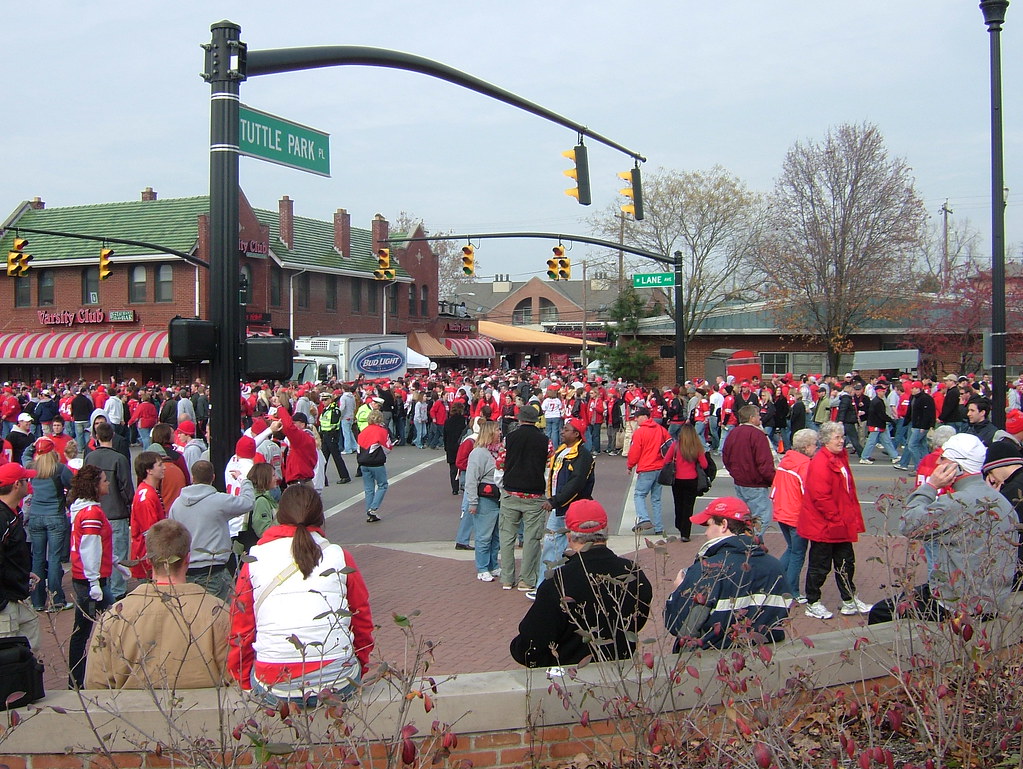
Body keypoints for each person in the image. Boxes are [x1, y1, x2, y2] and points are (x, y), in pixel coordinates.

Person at [229, 485, 374, 705]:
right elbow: (362, 619)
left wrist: (244, 680)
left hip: (275, 682)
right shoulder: (339, 556)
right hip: (338, 679)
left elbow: (241, 627)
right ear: (320, 516)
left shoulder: (256, 558)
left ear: (279, 515)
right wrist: (358, 666)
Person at [869, 434, 1017, 624]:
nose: (937, 461)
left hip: (958, 603)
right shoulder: (1001, 500)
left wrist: (931, 486)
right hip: (993, 598)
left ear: (957, 467)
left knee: (881, 612)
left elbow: (908, 524)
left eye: (943, 458)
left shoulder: (956, 503)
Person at [84, 519, 230, 689]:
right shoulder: (217, 613)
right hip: (204, 712)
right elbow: (235, 680)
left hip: (130, 712)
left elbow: (96, 684)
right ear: (187, 559)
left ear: (148, 560)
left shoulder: (115, 617)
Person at [510, 499, 652, 667]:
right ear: (606, 531)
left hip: (571, 676)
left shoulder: (558, 582)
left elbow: (529, 647)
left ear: (569, 537)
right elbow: (637, 622)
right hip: (621, 669)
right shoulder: (633, 573)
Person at [665, 496, 791, 650]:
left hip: (713, 661)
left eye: (708, 525)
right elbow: (778, 621)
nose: (706, 533)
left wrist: (680, 589)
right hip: (764, 658)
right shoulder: (775, 567)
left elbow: (680, 627)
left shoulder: (708, 569)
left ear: (724, 525)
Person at [799, 422, 871, 620]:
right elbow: (820, 496)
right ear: (826, 440)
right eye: (837, 437)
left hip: (839, 522)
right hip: (824, 524)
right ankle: (813, 601)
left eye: (842, 437)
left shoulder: (839, 458)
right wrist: (836, 518)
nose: (842, 440)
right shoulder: (821, 462)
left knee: (846, 563)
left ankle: (849, 600)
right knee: (820, 565)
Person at [67, 465, 128, 688]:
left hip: (89, 577)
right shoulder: (92, 512)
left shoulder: (84, 509)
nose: (107, 483)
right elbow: (89, 548)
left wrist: (114, 564)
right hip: (91, 580)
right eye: (104, 480)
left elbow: (94, 546)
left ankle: (77, 679)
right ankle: (80, 679)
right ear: (94, 485)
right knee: (107, 626)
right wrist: (94, 581)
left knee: (86, 630)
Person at [169, 460, 255, 601]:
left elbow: (173, 536)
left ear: (192, 477)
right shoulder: (219, 501)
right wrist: (244, 480)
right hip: (214, 570)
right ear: (213, 477)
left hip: (186, 571)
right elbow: (248, 502)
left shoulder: (177, 504)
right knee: (222, 614)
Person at [536, 417, 595, 591]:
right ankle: (545, 586)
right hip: (558, 508)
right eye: (562, 429)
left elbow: (576, 484)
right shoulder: (561, 451)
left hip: (573, 509)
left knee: (575, 547)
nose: (562, 432)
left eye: (566, 429)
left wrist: (555, 500)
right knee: (551, 545)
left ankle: (569, 585)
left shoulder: (583, 456)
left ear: (576, 434)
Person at [498, 404, 551, 592]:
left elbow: (500, 462)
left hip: (511, 491)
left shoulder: (509, 438)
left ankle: (507, 577)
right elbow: (549, 468)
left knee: (507, 537)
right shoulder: (546, 441)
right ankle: (527, 579)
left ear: (519, 419)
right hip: (535, 493)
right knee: (531, 538)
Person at [83, 422, 134, 600]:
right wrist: (129, 505)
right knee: (118, 553)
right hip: (116, 511)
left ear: (97, 437)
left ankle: (103, 588)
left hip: (96, 510)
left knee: (97, 552)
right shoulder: (119, 459)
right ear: (112, 436)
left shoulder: (90, 457)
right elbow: (126, 487)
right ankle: (118, 592)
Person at [770, 428, 819, 603]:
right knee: (798, 553)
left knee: (791, 549)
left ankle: (776, 582)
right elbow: (810, 493)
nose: (816, 447)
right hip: (796, 514)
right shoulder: (805, 465)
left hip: (782, 510)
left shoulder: (786, 461)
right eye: (814, 444)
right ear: (806, 447)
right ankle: (792, 592)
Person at [26, 437, 75, 612]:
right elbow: (73, 485)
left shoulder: (32, 468)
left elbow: (25, 457)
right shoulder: (59, 469)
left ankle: (37, 601)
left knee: (38, 558)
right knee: (54, 559)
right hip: (55, 515)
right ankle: (56, 600)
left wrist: (32, 446)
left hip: (35, 517)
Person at [0, 463, 40, 650]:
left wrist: (23, 573)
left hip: (17, 596)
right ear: (17, 485)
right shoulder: (2, 517)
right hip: (6, 602)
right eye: (26, 480)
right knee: (9, 660)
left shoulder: (12, 512)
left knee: (30, 650)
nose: (28, 483)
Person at [721, 405, 777, 534]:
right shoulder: (757, 435)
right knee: (761, 518)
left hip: (740, 482)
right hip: (755, 483)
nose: (760, 418)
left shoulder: (733, 433)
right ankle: (754, 545)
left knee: (745, 517)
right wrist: (773, 479)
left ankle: (747, 541)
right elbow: (764, 462)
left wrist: (734, 473)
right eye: (758, 415)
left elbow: (726, 457)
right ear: (752, 418)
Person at [464, 420, 504, 583]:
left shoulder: (499, 451)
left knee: (497, 535)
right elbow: (471, 479)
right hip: (485, 499)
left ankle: (493, 565)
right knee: (484, 535)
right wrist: (472, 502)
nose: (500, 433)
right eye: (496, 430)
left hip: (499, 497)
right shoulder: (478, 453)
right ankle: (482, 568)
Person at [626, 406, 671, 534]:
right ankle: (659, 527)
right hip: (660, 467)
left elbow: (634, 452)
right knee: (656, 499)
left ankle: (644, 518)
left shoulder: (640, 433)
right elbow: (670, 446)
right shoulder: (661, 430)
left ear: (645, 417)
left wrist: (630, 465)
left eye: (638, 417)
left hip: (646, 468)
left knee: (639, 495)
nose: (636, 419)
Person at [665, 423, 712, 543]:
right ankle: (685, 533)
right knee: (688, 506)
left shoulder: (676, 445)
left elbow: (666, 460)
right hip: (692, 479)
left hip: (677, 480)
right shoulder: (696, 447)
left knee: (678, 504)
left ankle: (679, 524)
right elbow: (705, 464)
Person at [129, 451, 167, 580]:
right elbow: (151, 533)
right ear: (149, 470)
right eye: (160, 465)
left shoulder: (148, 491)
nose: (164, 468)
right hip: (148, 561)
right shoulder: (147, 496)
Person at [356, 409, 393, 523]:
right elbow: (387, 448)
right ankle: (373, 508)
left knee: (369, 489)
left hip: (363, 462)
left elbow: (358, 448)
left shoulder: (363, 432)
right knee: (382, 485)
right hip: (376, 463)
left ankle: (369, 510)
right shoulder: (381, 431)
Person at [317, 392, 352, 485]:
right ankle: (322, 478)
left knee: (336, 457)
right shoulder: (326, 410)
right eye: (322, 400)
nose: (323, 402)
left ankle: (345, 476)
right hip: (324, 435)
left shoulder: (334, 410)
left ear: (330, 399)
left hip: (331, 435)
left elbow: (334, 423)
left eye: (325, 400)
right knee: (323, 459)